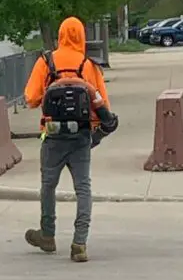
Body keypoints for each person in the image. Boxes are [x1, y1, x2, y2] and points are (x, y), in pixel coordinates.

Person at [23, 16, 118, 262]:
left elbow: (31, 97)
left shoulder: (46, 61)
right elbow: (103, 106)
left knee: (48, 186)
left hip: (52, 136)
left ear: (61, 35)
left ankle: (47, 234)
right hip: (81, 136)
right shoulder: (88, 65)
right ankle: (79, 243)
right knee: (83, 188)